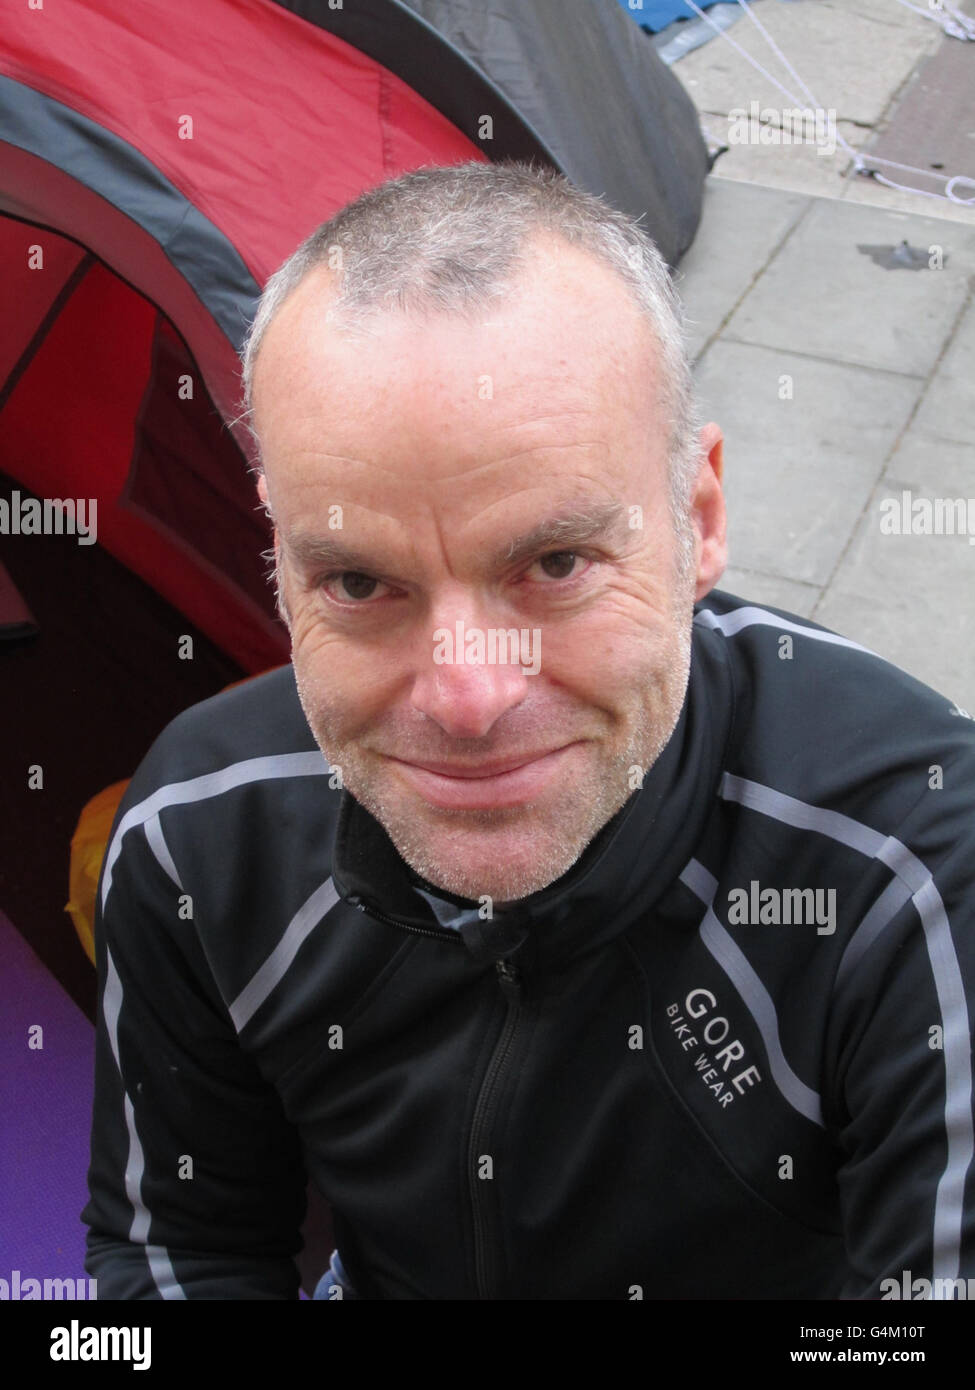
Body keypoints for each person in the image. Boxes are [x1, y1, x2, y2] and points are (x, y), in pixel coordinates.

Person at [83, 161, 975, 1300]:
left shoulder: (919, 869)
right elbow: (176, 1257)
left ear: (698, 520)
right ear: (281, 558)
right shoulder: (196, 835)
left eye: (554, 565)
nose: (468, 697)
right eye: (360, 582)